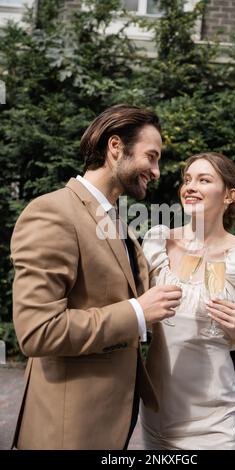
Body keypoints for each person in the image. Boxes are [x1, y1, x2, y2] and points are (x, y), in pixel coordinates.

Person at [10, 104, 182, 450]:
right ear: (115, 147)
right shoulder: (53, 212)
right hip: (67, 432)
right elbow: (38, 332)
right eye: (151, 156)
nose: (157, 170)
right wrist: (137, 312)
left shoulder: (116, 222)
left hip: (111, 423)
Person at [140, 152, 235, 450]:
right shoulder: (158, 241)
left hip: (216, 417)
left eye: (204, 180)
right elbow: (137, 312)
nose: (190, 186)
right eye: (187, 179)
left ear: (230, 195)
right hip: (157, 412)